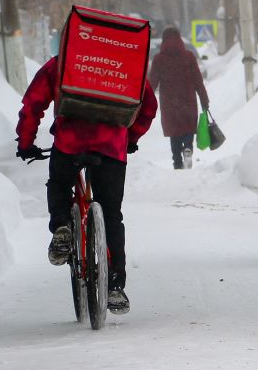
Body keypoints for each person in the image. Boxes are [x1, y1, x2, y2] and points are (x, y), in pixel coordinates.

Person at [15, 56, 158, 315]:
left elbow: (33, 103)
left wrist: (25, 142)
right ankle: (114, 285)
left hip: (70, 141)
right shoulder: (125, 65)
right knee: (112, 214)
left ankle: (61, 226)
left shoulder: (63, 61)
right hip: (112, 146)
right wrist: (130, 136)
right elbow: (149, 106)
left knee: (59, 184)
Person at [147, 26, 210, 169]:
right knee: (188, 128)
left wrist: (144, 100)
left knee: (174, 132)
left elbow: (152, 83)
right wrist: (204, 100)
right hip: (188, 101)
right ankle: (188, 149)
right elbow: (198, 81)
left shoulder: (158, 59)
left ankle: (177, 161)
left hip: (169, 103)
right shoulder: (189, 56)